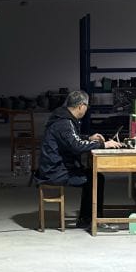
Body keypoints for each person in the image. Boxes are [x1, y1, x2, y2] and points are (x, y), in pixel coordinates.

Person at [38, 89, 107, 228]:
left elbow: (70, 140)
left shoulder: (62, 117)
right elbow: (76, 146)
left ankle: (86, 219)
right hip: (55, 171)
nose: (86, 110)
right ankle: (92, 220)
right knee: (95, 178)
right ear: (81, 106)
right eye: (86, 107)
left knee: (94, 176)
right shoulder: (64, 122)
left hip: (55, 167)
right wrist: (103, 144)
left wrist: (88, 138)